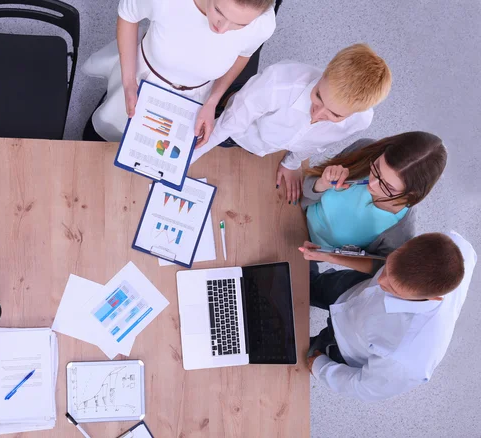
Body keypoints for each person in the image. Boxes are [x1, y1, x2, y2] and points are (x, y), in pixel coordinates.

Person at [190, 43, 392, 203]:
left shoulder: (361, 120)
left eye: (334, 115)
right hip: (239, 130)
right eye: (318, 96)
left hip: (264, 147)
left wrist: (291, 163)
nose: (317, 114)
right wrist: (182, 162)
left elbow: (315, 144)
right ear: (324, 73)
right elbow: (228, 124)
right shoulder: (278, 82)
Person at [305, 231, 476, 401]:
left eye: (392, 289)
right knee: (310, 284)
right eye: (387, 268)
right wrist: (330, 255)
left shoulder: (408, 358)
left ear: (433, 298)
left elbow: (364, 387)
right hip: (353, 290)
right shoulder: (449, 246)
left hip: (343, 345)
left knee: (294, 350)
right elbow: (377, 266)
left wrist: (321, 367)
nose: (380, 281)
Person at [82, 0, 277, 144]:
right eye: (219, 11)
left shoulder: (263, 24)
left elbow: (244, 55)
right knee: (106, 130)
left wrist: (212, 102)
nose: (222, 29)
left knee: (157, 148)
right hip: (142, 75)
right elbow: (128, 16)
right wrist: (128, 82)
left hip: (195, 95)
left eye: (239, 25)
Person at [298, 132, 447, 275]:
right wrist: (322, 183)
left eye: (387, 186)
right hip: (293, 209)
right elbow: (306, 184)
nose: (372, 184)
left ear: (411, 194)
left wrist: (329, 256)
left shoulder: (400, 230)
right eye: (376, 168)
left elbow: (380, 269)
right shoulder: (365, 149)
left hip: (305, 249)